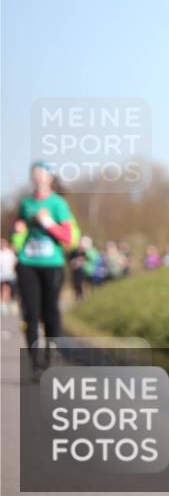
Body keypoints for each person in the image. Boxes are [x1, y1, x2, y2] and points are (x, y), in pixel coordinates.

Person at [11, 160, 80, 375]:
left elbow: (69, 237)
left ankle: (51, 353)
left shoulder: (58, 204)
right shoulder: (25, 204)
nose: (39, 176)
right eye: (35, 172)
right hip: (28, 263)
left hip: (52, 264)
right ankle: (36, 362)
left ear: (50, 177)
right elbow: (18, 237)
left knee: (50, 312)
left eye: (43, 172)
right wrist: (17, 232)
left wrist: (48, 223)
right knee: (30, 313)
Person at [0, 238, 18, 316]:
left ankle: (10, 304)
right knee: (4, 289)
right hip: (2, 275)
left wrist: (13, 270)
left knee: (10, 290)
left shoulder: (10, 252)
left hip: (10, 275)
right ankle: (3, 305)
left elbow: (14, 262)